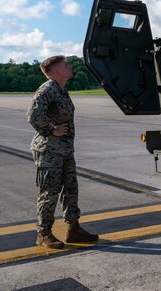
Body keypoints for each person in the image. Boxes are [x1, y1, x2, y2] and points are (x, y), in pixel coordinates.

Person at [27, 55, 98, 249]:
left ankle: (73, 229)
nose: (69, 66)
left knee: (71, 190)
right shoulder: (47, 89)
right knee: (49, 192)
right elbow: (33, 115)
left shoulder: (61, 90)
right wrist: (53, 130)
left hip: (65, 150)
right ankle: (43, 233)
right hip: (49, 150)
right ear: (57, 71)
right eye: (66, 65)